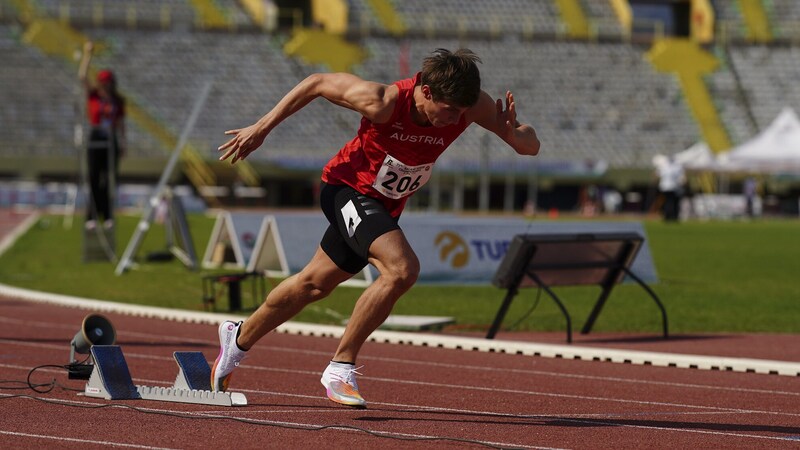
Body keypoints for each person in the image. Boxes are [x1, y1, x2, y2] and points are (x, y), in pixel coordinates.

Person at [211, 48, 540, 407]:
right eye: (450, 112)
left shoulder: (469, 105)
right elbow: (316, 82)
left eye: (464, 113)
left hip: (384, 205)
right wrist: (261, 128)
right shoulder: (382, 101)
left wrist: (513, 134)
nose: (458, 120)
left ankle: (238, 339)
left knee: (313, 285)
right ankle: (341, 366)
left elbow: (530, 146)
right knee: (402, 269)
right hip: (346, 190)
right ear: (426, 93)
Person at [78, 41, 126, 230]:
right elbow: (82, 76)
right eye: (103, 82)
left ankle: (107, 215)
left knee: (109, 178)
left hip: (110, 136)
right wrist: (87, 55)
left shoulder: (117, 100)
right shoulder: (94, 96)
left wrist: (123, 142)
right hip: (96, 135)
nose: (106, 85)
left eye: (108, 82)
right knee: (94, 176)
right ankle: (91, 215)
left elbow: (121, 123)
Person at [655, 155, 684, 222]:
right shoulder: (675, 166)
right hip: (671, 187)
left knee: (669, 202)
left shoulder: (665, 166)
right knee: (671, 202)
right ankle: (671, 216)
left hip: (669, 187)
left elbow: (656, 175)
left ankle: (669, 216)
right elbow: (682, 178)